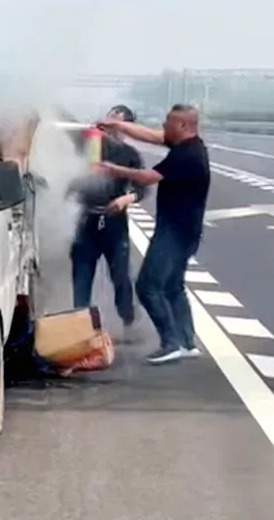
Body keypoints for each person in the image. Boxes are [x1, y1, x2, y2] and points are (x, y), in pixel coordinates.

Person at [94, 103, 211, 365]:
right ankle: (186, 342)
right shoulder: (189, 145)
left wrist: (111, 169)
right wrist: (118, 125)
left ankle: (171, 343)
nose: (162, 126)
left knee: (148, 286)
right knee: (172, 286)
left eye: (168, 122)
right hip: (185, 231)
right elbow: (151, 136)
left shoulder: (187, 155)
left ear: (183, 125)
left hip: (175, 233)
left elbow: (146, 177)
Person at [65, 105, 148, 328]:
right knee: (81, 276)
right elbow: (68, 127)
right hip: (86, 221)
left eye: (117, 123)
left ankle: (128, 319)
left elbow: (142, 188)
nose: (111, 127)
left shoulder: (130, 155)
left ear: (127, 129)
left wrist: (126, 199)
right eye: (109, 120)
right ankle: (81, 325)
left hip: (114, 223)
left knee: (120, 277)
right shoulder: (89, 142)